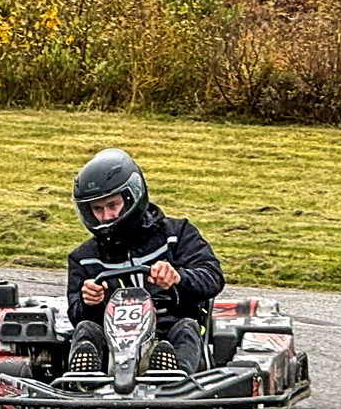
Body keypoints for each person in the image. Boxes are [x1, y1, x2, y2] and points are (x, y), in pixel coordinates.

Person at [66, 148, 224, 375]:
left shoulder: (176, 235)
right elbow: (75, 314)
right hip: (113, 347)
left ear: (133, 197)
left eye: (113, 205)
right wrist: (88, 301)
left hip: (167, 331)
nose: (106, 216)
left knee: (187, 328)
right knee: (85, 329)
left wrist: (178, 277)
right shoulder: (84, 258)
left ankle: (172, 378)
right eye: (97, 209)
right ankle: (84, 380)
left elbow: (213, 277)